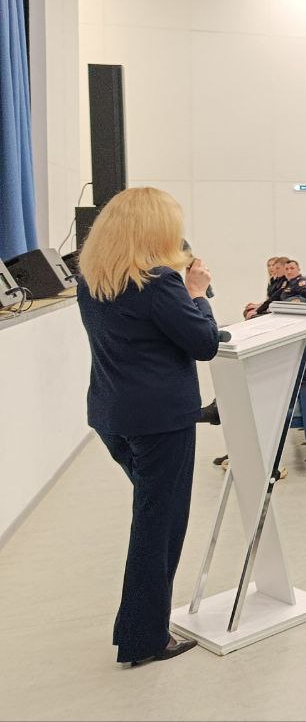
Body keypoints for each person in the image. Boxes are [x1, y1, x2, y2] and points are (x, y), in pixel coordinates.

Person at [76, 187, 220, 666]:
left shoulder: (93, 279)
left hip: (112, 414)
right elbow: (203, 343)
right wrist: (197, 293)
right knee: (159, 527)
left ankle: (140, 628)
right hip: (161, 420)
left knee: (151, 516)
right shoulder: (158, 283)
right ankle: (144, 638)